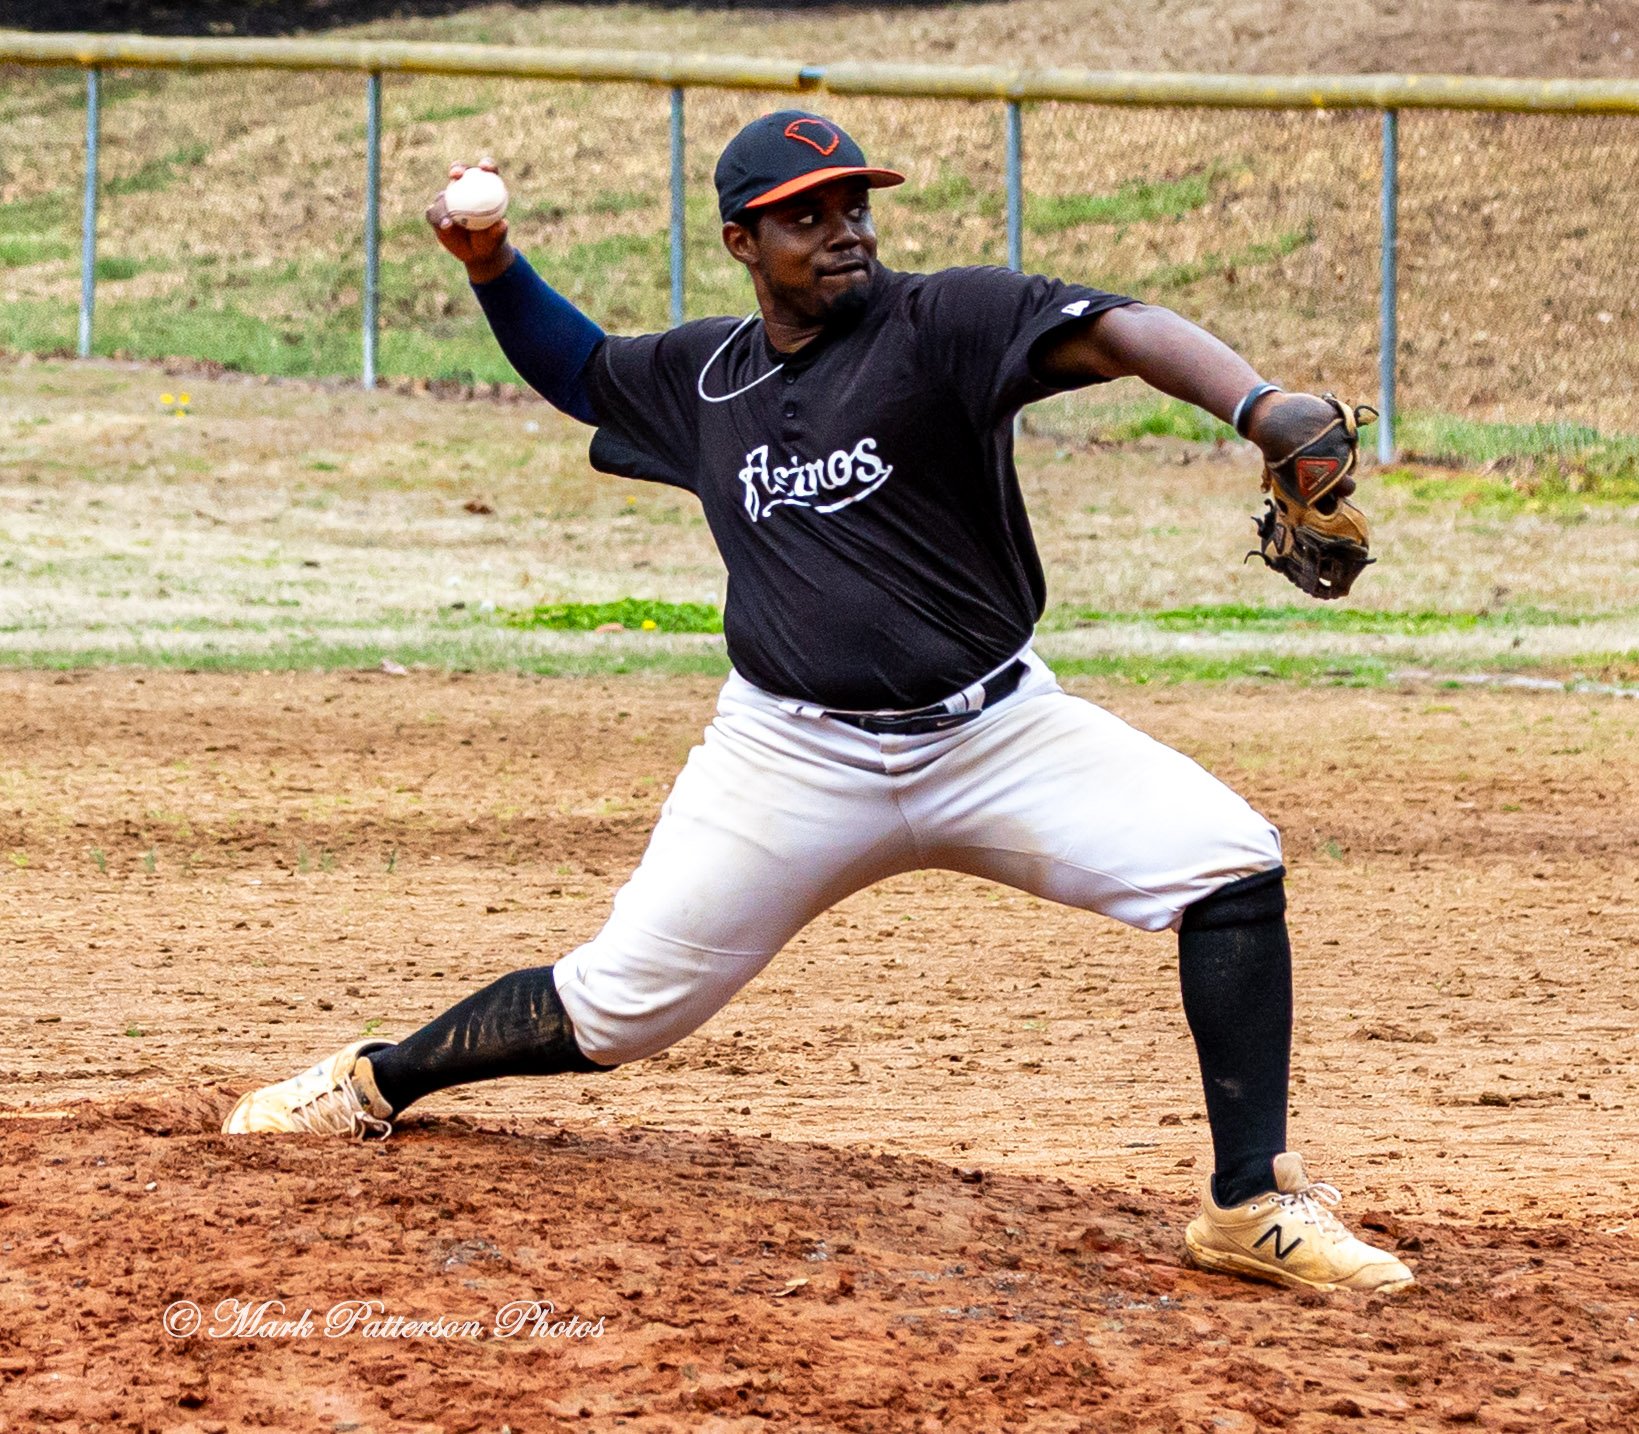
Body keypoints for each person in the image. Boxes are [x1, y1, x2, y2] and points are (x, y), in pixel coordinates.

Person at [223, 111, 1412, 1295]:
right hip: (788, 757)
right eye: (807, 215)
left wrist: (1260, 409)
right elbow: (582, 371)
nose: (844, 232)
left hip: (997, 732)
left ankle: (1249, 1204)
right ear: (745, 240)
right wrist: (493, 267)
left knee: (1226, 862)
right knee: (617, 1009)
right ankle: (375, 1081)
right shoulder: (706, 379)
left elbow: (1121, 330)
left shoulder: (940, 320)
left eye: (853, 207)